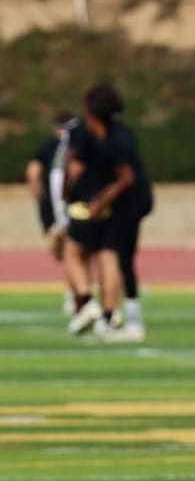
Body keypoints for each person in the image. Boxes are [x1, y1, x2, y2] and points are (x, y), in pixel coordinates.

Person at [64, 83, 153, 341]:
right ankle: (107, 317)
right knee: (107, 254)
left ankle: (119, 317)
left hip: (131, 201)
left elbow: (127, 178)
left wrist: (99, 203)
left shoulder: (117, 140)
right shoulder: (93, 135)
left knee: (113, 255)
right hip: (112, 202)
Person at [25, 112, 76, 312]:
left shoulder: (49, 147)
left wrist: (41, 200)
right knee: (73, 250)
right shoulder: (73, 146)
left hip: (54, 205)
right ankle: (74, 292)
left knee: (68, 250)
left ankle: (74, 292)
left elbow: (32, 173)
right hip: (68, 203)